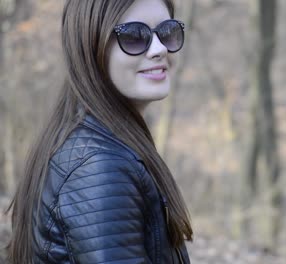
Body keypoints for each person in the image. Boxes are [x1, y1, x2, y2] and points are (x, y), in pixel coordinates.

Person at [6, 0, 193, 263]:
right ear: (91, 47)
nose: (159, 48)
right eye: (134, 36)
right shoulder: (100, 167)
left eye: (167, 31)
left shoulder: (95, 143)